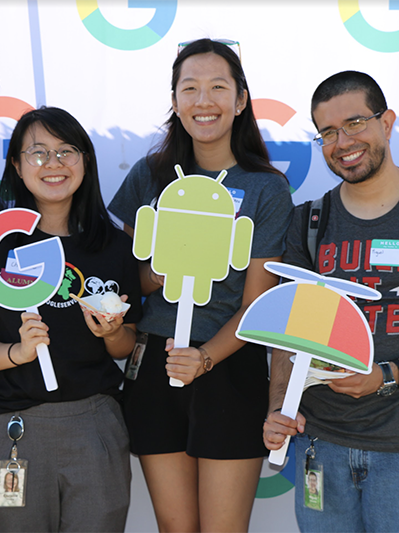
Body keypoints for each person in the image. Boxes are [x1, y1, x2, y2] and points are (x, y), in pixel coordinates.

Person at [263, 71, 399, 533]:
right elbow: (289, 339)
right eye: (327, 132)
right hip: (320, 443)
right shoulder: (309, 222)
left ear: (387, 122)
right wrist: (279, 409)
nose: (342, 141)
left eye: (355, 123)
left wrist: (385, 376)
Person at [109, 38, 293, 533]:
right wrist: (162, 271)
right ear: (175, 101)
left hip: (229, 369)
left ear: (240, 99)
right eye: (189, 88)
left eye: (217, 87)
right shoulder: (150, 176)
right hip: (153, 367)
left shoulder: (266, 187)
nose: (203, 101)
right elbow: (129, 281)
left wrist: (206, 357)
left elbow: (258, 302)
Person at [0, 107, 141, 533]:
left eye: (66, 151)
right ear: (17, 166)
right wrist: (17, 352)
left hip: (95, 424)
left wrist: (113, 334)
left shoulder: (114, 245)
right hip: (14, 430)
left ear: (86, 161)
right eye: (37, 153)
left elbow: (128, 344)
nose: (53, 163)